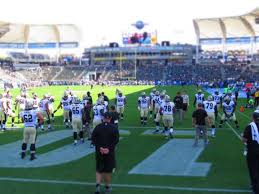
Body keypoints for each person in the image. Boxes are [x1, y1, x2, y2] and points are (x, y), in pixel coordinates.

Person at [92, 112, 119, 194]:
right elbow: (116, 140)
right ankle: (107, 187)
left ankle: (97, 186)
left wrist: (100, 148)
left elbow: (93, 139)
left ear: (103, 118)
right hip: (109, 152)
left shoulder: (98, 127)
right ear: (110, 119)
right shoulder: (114, 128)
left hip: (99, 152)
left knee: (99, 169)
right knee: (107, 170)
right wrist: (108, 149)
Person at [242, 110, 259, 194]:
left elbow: (244, 140)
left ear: (253, 118)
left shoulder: (249, 126)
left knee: (253, 169)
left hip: (253, 150)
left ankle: (255, 186)